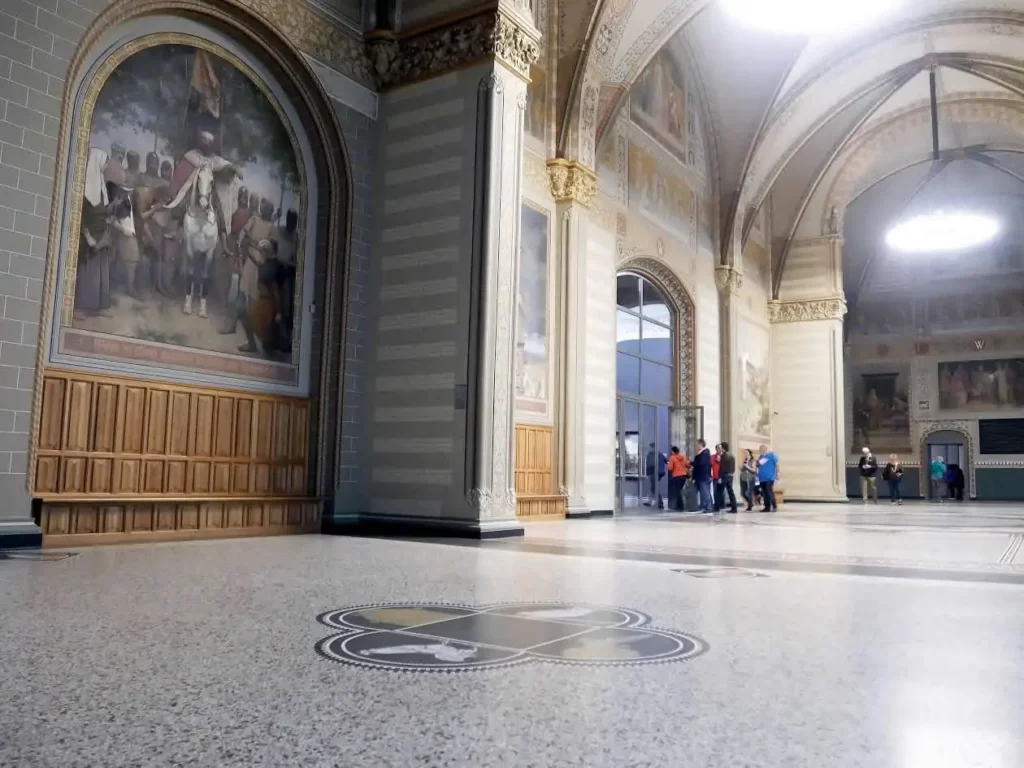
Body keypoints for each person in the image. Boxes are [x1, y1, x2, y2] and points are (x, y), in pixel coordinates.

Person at [691, 439, 713, 514]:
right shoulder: (702, 454)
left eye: (697, 445)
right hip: (701, 477)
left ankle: (708, 507)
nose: (696, 446)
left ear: (701, 445)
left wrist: (692, 464)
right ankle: (704, 506)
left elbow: (701, 464)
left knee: (705, 492)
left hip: (703, 476)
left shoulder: (704, 453)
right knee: (703, 492)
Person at [643, 442, 667, 509]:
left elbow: (650, 465)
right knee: (653, 487)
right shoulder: (660, 453)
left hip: (654, 473)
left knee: (654, 487)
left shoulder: (651, 454)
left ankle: (660, 503)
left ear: (652, 447)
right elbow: (667, 461)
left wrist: (648, 473)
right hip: (660, 473)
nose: (649, 449)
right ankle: (650, 501)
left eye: (650, 447)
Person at [757, 444, 779, 512]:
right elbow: (758, 465)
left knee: (769, 492)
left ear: (765, 449)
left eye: (761, 449)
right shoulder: (761, 457)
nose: (760, 450)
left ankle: (774, 506)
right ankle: (767, 507)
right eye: (760, 449)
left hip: (769, 477)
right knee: (764, 493)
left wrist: (777, 474)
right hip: (762, 478)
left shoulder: (771, 455)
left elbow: (777, 465)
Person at [666, 446, 689, 511]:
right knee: (679, 491)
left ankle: (680, 507)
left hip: (676, 477)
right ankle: (680, 506)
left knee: (677, 492)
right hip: (684, 476)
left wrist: (668, 464)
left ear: (673, 451)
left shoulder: (672, 457)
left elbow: (670, 468)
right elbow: (687, 465)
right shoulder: (683, 457)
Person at [719, 441, 738, 514]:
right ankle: (734, 507)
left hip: (725, 475)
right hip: (730, 475)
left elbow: (722, 468)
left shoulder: (723, 455)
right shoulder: (732, 456)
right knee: (730, 492)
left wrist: (720, 477)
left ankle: (718, 506)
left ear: (722, 448)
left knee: (720, 491)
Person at [711, 444, 723, 512]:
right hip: (715, 477)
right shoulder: (712, 457)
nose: (719, 449)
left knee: (721, 492)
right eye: (718, 448)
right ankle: (716, 506)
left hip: (721, 477)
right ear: (716, 449)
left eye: (720, 448)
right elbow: (710, 466)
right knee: (715, 492)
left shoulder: (723, 457)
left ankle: (721, 505)